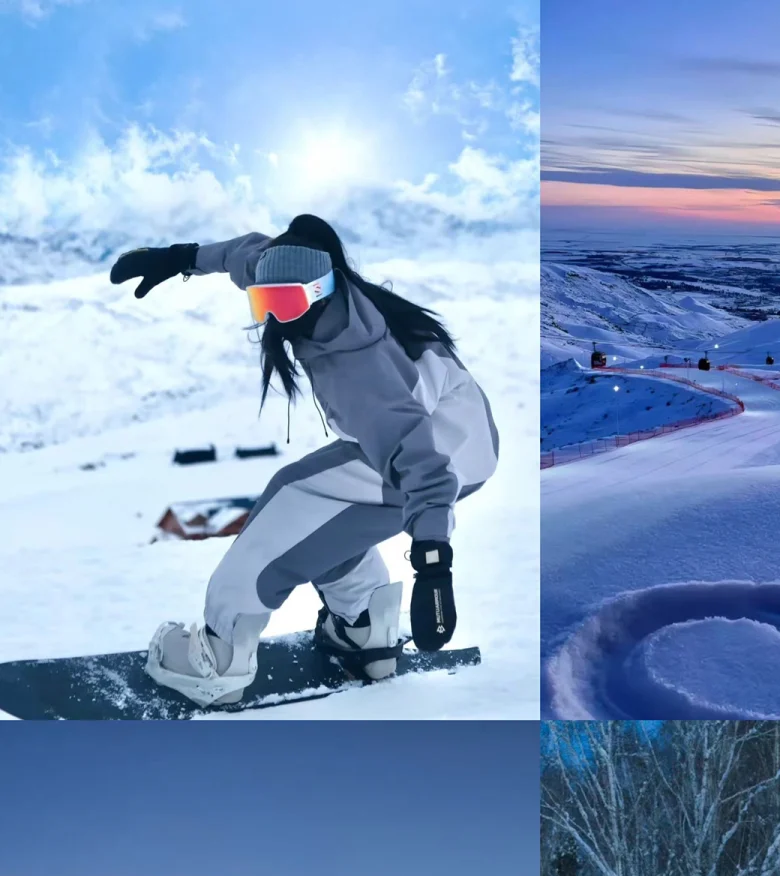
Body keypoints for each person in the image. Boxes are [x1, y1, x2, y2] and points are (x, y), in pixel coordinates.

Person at [109, 214, 499, 705]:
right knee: (324, 516)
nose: (276, 315)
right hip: (459, 434)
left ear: (319, 290)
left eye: (287, 302)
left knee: (290, 502)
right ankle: (364, 631)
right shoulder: (290, 275)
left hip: (440, 451)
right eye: (265, 301)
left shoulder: (357, 362)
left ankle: (220, 660)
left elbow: (424, 468)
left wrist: (433, 563)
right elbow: (242, 253)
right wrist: (182, 257)